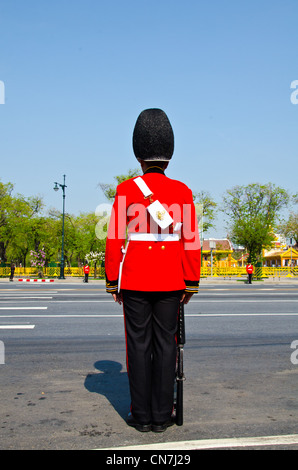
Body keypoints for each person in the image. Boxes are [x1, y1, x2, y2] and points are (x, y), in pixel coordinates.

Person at [105, 109, 201, 433]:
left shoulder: (125, 191)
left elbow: (115, 237)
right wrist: (190, 281)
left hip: (134, 279)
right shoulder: (183, 191)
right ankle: (162, 416)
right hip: (171, 280)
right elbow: (191, 241)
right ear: (169, 155)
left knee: (138, 345)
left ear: (139, 154)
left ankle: (141, 416)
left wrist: (112, 280)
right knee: (166, 345)